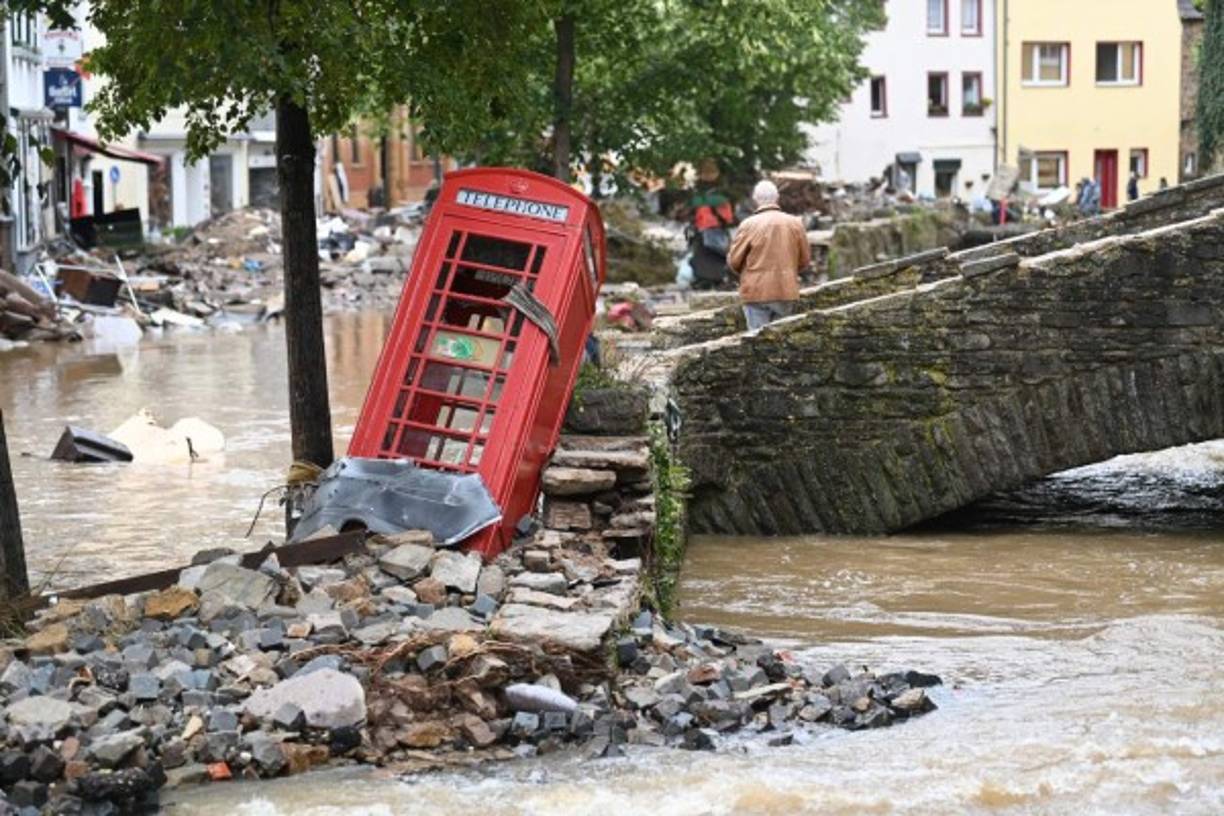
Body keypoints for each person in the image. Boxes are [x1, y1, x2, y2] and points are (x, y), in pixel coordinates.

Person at [727, 180, 811, 331]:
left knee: (757, 340)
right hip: (785, 290)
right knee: (782, 338)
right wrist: (788, 271)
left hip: (755, 291)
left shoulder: (748, 225)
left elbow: (734, 261)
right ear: (777, 198)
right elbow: (804, 261)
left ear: (755, 199)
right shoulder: (795, 224)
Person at [688, 161, 735, 290]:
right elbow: (728, 218)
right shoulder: (720, 197)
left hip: (700, 235)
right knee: (718, 260)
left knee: (702, 260)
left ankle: (702, 282)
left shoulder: (697, 197)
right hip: (715, 233)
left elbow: (693, 215)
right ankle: (718, 282)